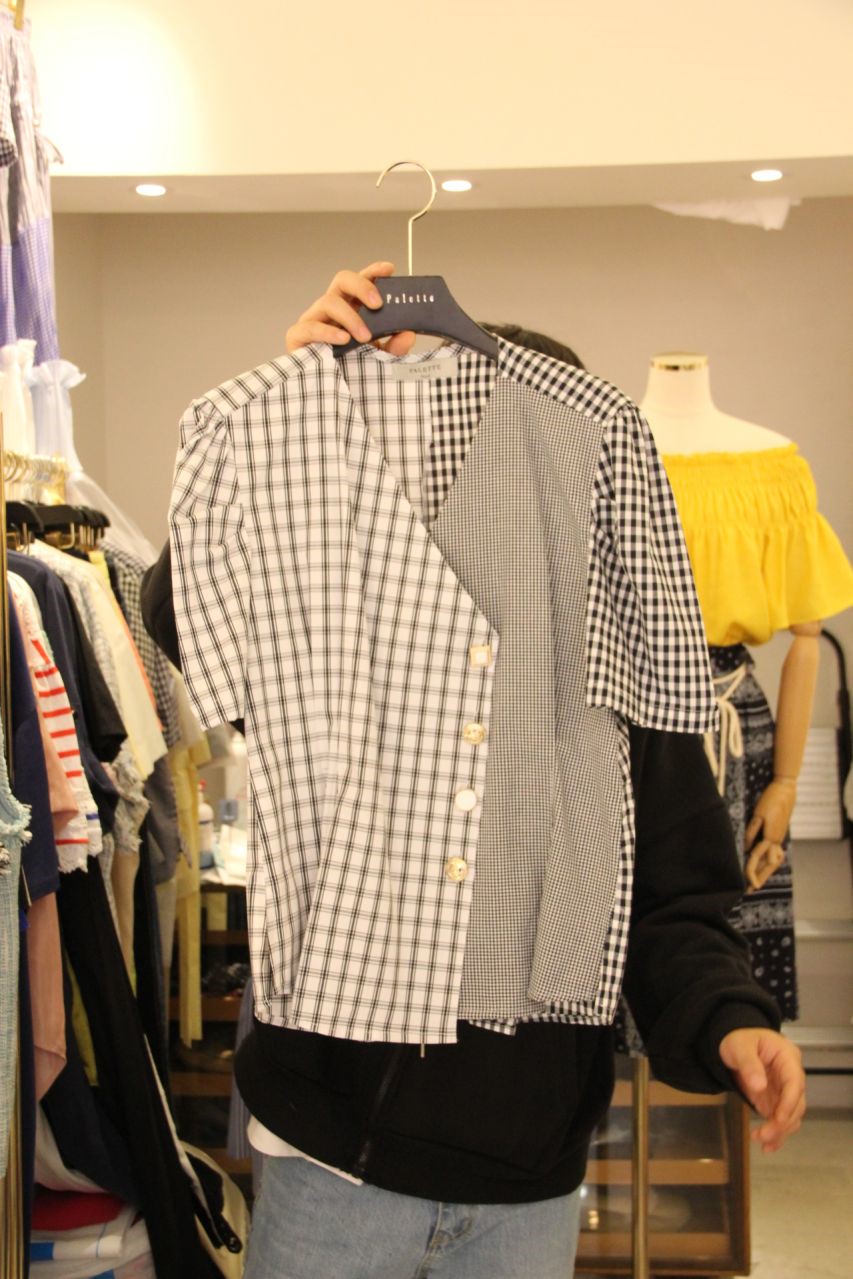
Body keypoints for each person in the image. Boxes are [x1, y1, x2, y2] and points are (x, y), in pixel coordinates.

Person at [142, 263, 806, 1279]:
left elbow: (675, 896)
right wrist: (288, 433)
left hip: (525, 1172)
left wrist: (729, 1022)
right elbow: (189, 620)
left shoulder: (618, 661)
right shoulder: (352, 626)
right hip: (330, 1156)